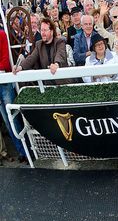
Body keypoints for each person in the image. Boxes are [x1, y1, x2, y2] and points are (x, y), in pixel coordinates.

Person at [13, 18, 69, 82]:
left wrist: (56, 64)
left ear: (51, 31)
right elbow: (31, 58)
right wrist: (20, 67)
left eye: (45, 30)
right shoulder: (39, 44)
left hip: (63, 82)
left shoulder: (60, 42)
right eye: (41, 30)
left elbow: (60, 55)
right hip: (48, 84)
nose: (43, 33)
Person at [1, 23, 26, 160]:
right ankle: (21, 151)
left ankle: (25, 151)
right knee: (6, 119)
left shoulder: (1, 34)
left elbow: (5, 62)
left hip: (4, 82)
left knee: (13, 118)